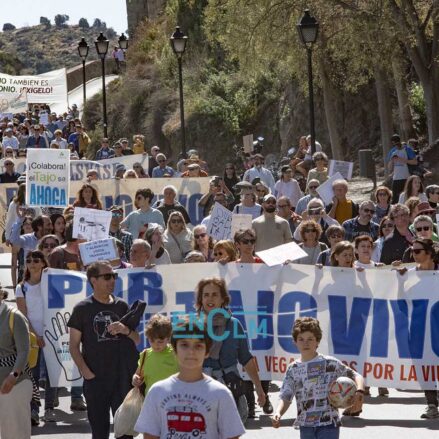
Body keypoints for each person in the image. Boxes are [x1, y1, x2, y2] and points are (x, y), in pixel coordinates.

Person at [134, 315, 246, 438]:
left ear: (207, 351)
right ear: (175, 349)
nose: (191, 352)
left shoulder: (221, 394)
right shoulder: (156, 392)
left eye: (198, 346)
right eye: (184, 345)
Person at [68, 261, 140, 439]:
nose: (112, 280)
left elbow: (137, 339)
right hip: (96, 381)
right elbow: (73, 346)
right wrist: (86, 373)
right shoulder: (82, 308)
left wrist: (125, 330)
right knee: (99, 433)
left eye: (114, 276)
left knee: (125, 433)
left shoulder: (122, 305)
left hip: (122, 379)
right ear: (93, 280)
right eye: (107, 277)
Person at [272, 317, 365, 437]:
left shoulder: (330, 363)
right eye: (301, 339)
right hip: (305, 426)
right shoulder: (293, 369)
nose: (305, 343)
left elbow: (356, 376)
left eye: (310, 339)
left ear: (317, 341)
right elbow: (286, 396)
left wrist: (360, 392)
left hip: (329, 424)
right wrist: (278, 412)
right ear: (295, 342)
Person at [196, 277, 266, 422]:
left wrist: (259, 388)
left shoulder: (234, 325)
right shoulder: (192, 325)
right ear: (201, 299)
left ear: (223, 299)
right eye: (206, 295)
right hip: (199, 392)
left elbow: (246, 358)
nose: (210, 299)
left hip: (229, 390)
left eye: (215, 294)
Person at [397, 238, 439, 418]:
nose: (413, 254)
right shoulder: (409, 275)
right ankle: (432, 405)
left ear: (429, 253)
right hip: (418, 329)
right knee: (424, 367)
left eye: (417, 251)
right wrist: (400, 281)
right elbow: (401, 304)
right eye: (411, 251)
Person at [15, 251, 56, 424]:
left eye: (36, 260)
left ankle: (49, 408)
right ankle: (34, 409)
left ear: (43, 263)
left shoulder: (52, 284)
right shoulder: (21, 287)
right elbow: (23, 315)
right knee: (33, 374)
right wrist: (35, 335)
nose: (32, 263)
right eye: (28, 260)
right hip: (31, 337)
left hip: (51, 335)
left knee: (52, 373)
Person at [0, 288, 32, 439]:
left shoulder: (14, 316)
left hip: (13, 385)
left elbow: (24, 351)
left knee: (15, 433)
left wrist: (13, 376)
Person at [131, 314, 179, 394]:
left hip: (173, 399)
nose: (155, 345)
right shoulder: (145, 354)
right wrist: (135, 379)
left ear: (168, 338)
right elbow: (137, 375)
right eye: (152, 341)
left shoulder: (177, 353)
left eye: (160, 342)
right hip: (151, 399)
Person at [387, 134, 417, 204]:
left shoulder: (407, 149)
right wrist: (392, 160)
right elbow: (390, 168)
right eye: (394, 143)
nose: (396, 144)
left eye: (397, 142)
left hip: (407, 177)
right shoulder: (392, 151)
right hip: (396, 178)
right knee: (395, 199)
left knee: (408, 197)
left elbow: (415, 162)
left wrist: (402, 160)